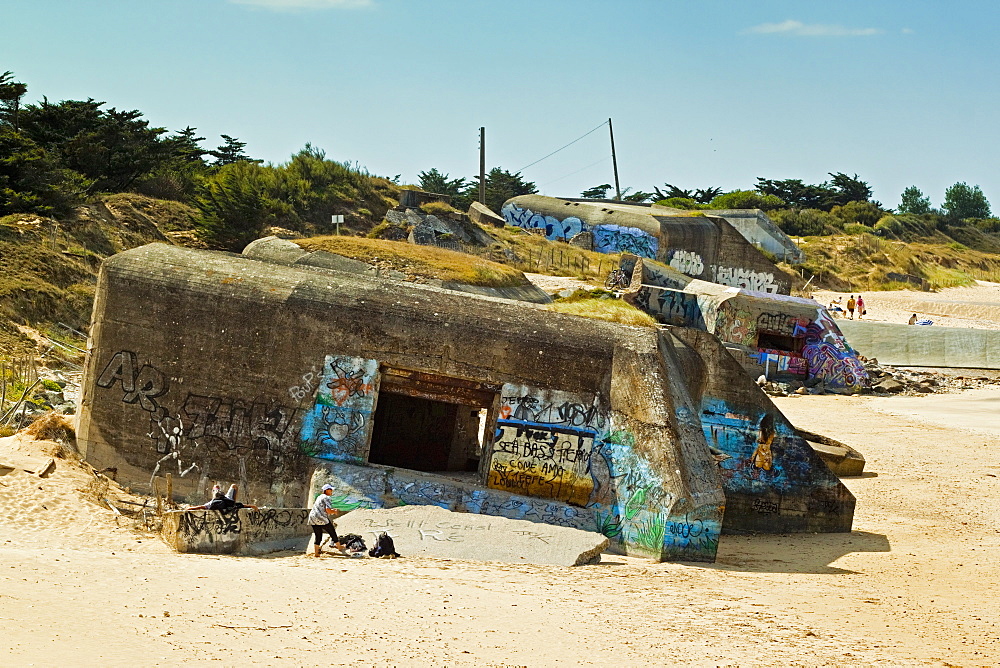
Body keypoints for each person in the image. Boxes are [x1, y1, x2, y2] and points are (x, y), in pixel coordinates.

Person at [309, 483, 344, 557]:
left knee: (318, 535)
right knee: (332, 532)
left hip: (312, 517)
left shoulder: (319, 497)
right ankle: (339, 547)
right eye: (331, 490)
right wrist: (334, 511)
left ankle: (316, 553)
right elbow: (328, 510)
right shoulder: (327, 498)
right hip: (321, 518)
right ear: (327, 490)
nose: (332, 491)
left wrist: (331, 511)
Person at [187, 484, 259, 511]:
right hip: (228, 501)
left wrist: (189, 508)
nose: (218, 490)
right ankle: (233, 502)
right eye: (215, 490)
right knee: (234, 486)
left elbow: (200, 507)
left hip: (227, 500)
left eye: (218, 489)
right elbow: (200, 507)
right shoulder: (212, 502)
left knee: (234, 486)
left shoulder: (213, 502)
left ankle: (233, 502)